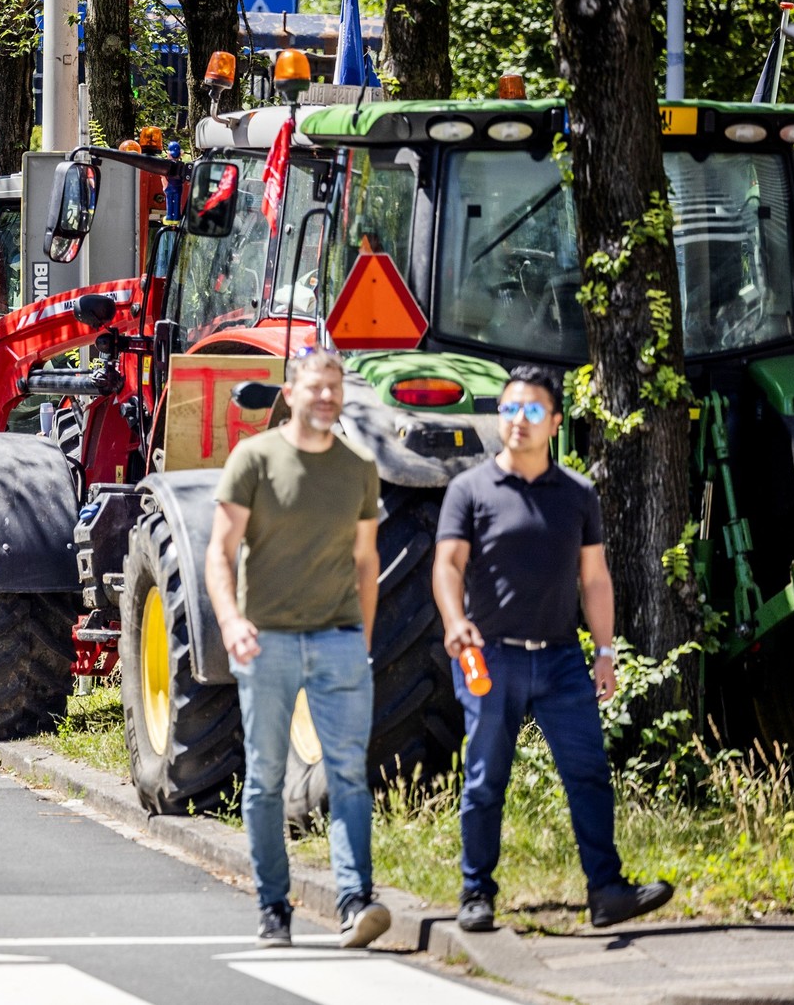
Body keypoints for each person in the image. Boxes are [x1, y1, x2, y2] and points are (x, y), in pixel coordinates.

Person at [433, 365, 675, 933]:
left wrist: (607, 652)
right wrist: (454, 619)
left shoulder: (577, 494)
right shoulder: (468, 490)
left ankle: (607, 891)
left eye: (533, 411)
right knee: (486, 776)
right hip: (489, 657)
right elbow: (448, 564)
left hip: (563, 660)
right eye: (511, 409)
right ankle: (476, 893)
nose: (519, 421)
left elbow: (594, 579)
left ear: (555, 422)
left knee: (588, 772)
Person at [204, 350, 390, 949]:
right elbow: (220, 552)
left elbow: (367, 562)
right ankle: (272, 906)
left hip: (337, 643)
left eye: (336, 388)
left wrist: (360, 639)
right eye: (316, 387)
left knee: (348, 777)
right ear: (291, 392)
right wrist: (231, 621)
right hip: (269, 642)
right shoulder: (254, 459)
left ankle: (355, 900)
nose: (327, 397)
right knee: (263, 781)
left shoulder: (360, 466)